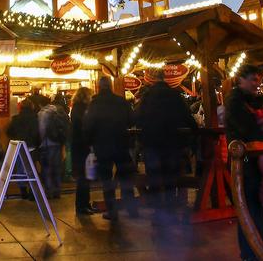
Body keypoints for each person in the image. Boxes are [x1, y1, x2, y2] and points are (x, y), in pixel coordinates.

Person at [135, 69, 197, 216]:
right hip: (172, 143)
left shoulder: (147, 96)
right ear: (165, 79)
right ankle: (170, 210)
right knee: (170, 178)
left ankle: (158, 212)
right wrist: (194, 135)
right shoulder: (174, 95)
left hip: (151, 144)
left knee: (155, 178)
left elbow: (136, 117)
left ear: (152, 80)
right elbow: (188, 117)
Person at [224, 64, 263, 261]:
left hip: (255, 163)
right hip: (244, 164)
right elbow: (249, 129)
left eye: (258, 79)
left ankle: (259, 251)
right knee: (249, 212)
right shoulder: (235, 102)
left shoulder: (252, 102)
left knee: (257, 211)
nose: (256, 83)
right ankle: (251, 255)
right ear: (240, 80)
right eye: (252, 79)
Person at [83, 76, 137, 221]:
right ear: (111, 86)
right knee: (125, 177)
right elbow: (132, 119)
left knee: (106, 180)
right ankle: (131, 209)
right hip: (121, 144)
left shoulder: (94, 104)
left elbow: (88, 126)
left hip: (102, 146)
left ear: (99, 87)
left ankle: (112, 212)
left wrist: (89, 143)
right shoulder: (121, 102)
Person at [70, 86, 98, 215]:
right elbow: (84, 129)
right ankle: (82, 206)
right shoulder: (82, 110)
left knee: (85, 177)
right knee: (84, 178)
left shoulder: (77, 109)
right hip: (82, 148)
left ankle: (84, 204)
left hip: (78, 147)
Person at [38, 94, 70, 198]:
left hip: (47, 143)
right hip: (57, 143)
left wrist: (41, 141)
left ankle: (49, 191)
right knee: (57, 167)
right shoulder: (58, 110)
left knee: (47, 167)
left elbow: (41, 130)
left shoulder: (42, 112)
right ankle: (57, 190)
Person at [7, 99, 40, 198]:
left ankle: (23, 190)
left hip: (19, 146)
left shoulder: (15, 119)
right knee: (31, 169)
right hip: (31, 146)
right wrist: (37, 143)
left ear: (20, 107)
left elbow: (9, 132)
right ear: (31, 107)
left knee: (20, 169)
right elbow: (37, 133)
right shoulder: (35, 118)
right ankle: (31, 190)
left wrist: (15, 139)